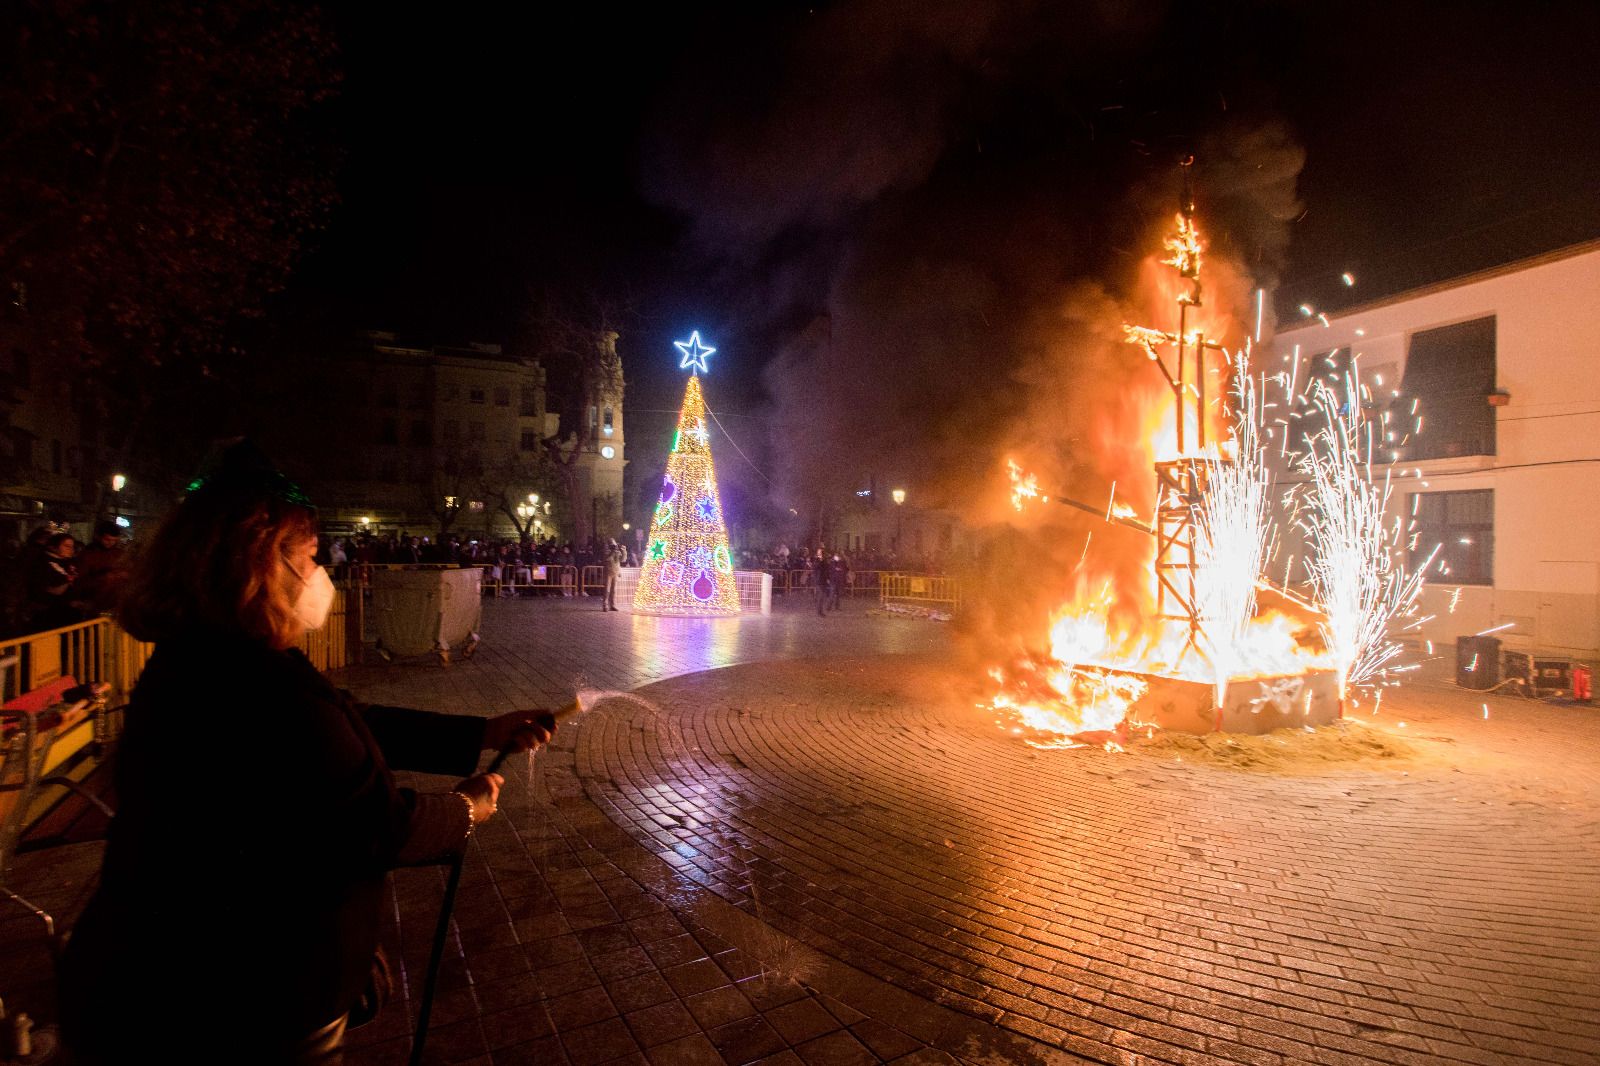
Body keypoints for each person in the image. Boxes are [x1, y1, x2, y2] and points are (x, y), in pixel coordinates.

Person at [58, 442, 556, 1064]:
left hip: (185, 989)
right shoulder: (251, 683)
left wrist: (482, 731)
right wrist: (465, 809)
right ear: (266, 568)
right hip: (237, 1011)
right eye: (313, 559)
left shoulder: (211, 659)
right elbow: (376, 826)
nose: (322, 577)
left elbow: (348, 721)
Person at [74, 520, 131, 616]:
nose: (111, 543)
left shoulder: (119, 553)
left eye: (114, 540)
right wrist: (104, 577)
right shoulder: (87, 554)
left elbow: (128, 571)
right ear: (98, 536)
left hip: (115, 601)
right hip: (93, 601)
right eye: (107, 540)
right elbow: (79, 581)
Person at [602, 537, 625, 611]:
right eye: (612, 544)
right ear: (609, 545)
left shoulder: (617, 551)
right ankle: (605, 605)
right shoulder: (606, 551)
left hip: (615, 572)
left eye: (614, 544)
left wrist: (624, 551)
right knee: (607, 589)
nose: (614, 546)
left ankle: (612, 605)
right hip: (608, 572)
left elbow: (623, 560)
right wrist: (612, 552)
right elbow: (606, 559)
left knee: (613, 590)